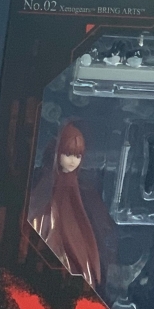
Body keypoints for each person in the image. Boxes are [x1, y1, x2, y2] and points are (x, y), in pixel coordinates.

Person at [28, 123, 105, 289]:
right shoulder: (47, 180)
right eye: (68, 154)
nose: (72, 161)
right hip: (49, 226)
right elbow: (37, 203)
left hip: (72, 229)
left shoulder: (80, 187)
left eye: (78, 156)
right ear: (58, 153)